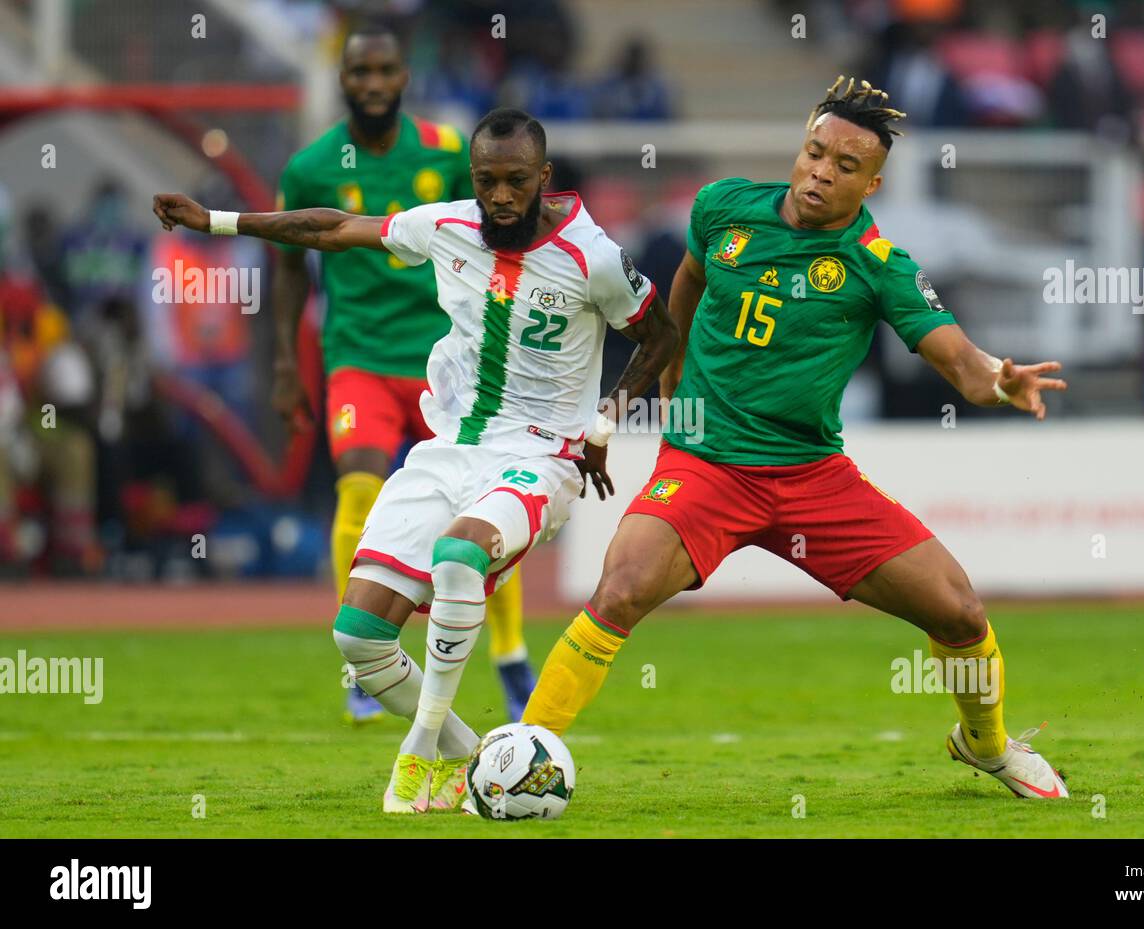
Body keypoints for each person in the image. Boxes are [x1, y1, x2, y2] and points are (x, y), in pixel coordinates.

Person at [520, 77, 1072, 800]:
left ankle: (988, 745)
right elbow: (686, 278)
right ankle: (521, 753)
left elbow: (960, 365)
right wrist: (673, 365)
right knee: (621, 588)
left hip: (812, 476)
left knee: (960, 611)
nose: (822, 172)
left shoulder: (878, 265)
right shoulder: (723, 209)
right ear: (800, 148)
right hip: (705, 464)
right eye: (815, 153)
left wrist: (1001, 378)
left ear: (872, 183)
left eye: (846, 167)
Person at [153, 107, 679, 812]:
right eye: (487, 180)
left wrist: (605, 424)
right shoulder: (450, 224)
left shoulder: (597, 257)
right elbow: (334, 228)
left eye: (515, 181)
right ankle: (473, 756)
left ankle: (417, 751)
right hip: (450, 448)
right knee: (358, 636)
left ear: (542, 177)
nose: (498, 196)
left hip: (540, 458)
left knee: (459, 555)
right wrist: (216, 221)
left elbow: (660, 336)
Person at [271, 24, 536, 724]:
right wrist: (282, 360)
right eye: (361, 72)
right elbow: (290, 264)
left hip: (443, 357)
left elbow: (499, 228)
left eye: (386, 70)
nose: (374, 83)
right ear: (343, 80)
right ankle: (363, 667)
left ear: (403, 77)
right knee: (358, 483)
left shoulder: (449, 153)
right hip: (357, 354)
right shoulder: (309, 168)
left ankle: (510, 655)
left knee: (482, 506)